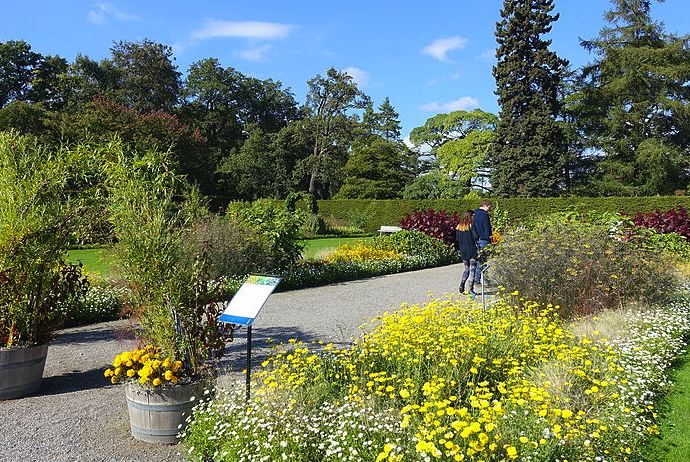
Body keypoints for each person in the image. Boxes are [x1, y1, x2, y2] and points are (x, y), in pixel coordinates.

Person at [456, 210, 479, 296]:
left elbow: (457, 238)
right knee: (472, 270)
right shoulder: (471, 225)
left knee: (466, 269)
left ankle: (462, 284)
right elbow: (475, 236)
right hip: (472, 250)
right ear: (470, 216)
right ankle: (470, 289)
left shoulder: (459, 226)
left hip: (463, 251)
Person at [472, 200, 493, 285]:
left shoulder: (474, 214)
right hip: (484, 239)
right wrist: (489, 238)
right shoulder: (484, 214)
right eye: (489, 207)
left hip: (476, 239)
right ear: (485, 205)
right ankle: (482, 280)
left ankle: (478, 279)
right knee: (483, 260)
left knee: (479, 260)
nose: (489, 209)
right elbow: (487, 228)